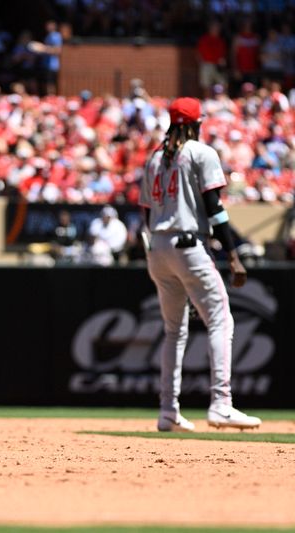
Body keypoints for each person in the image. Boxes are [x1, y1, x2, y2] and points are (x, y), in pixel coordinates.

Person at [140, 97, 261, 433]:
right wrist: (233, 255)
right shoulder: (201, 152)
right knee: (221, 319)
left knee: (173, 331)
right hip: (189, 244)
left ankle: (168, 411)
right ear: (195, 123)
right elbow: (215, 208)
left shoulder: (154, 159)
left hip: (158, 247)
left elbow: (146, 213)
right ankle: (221, 404)